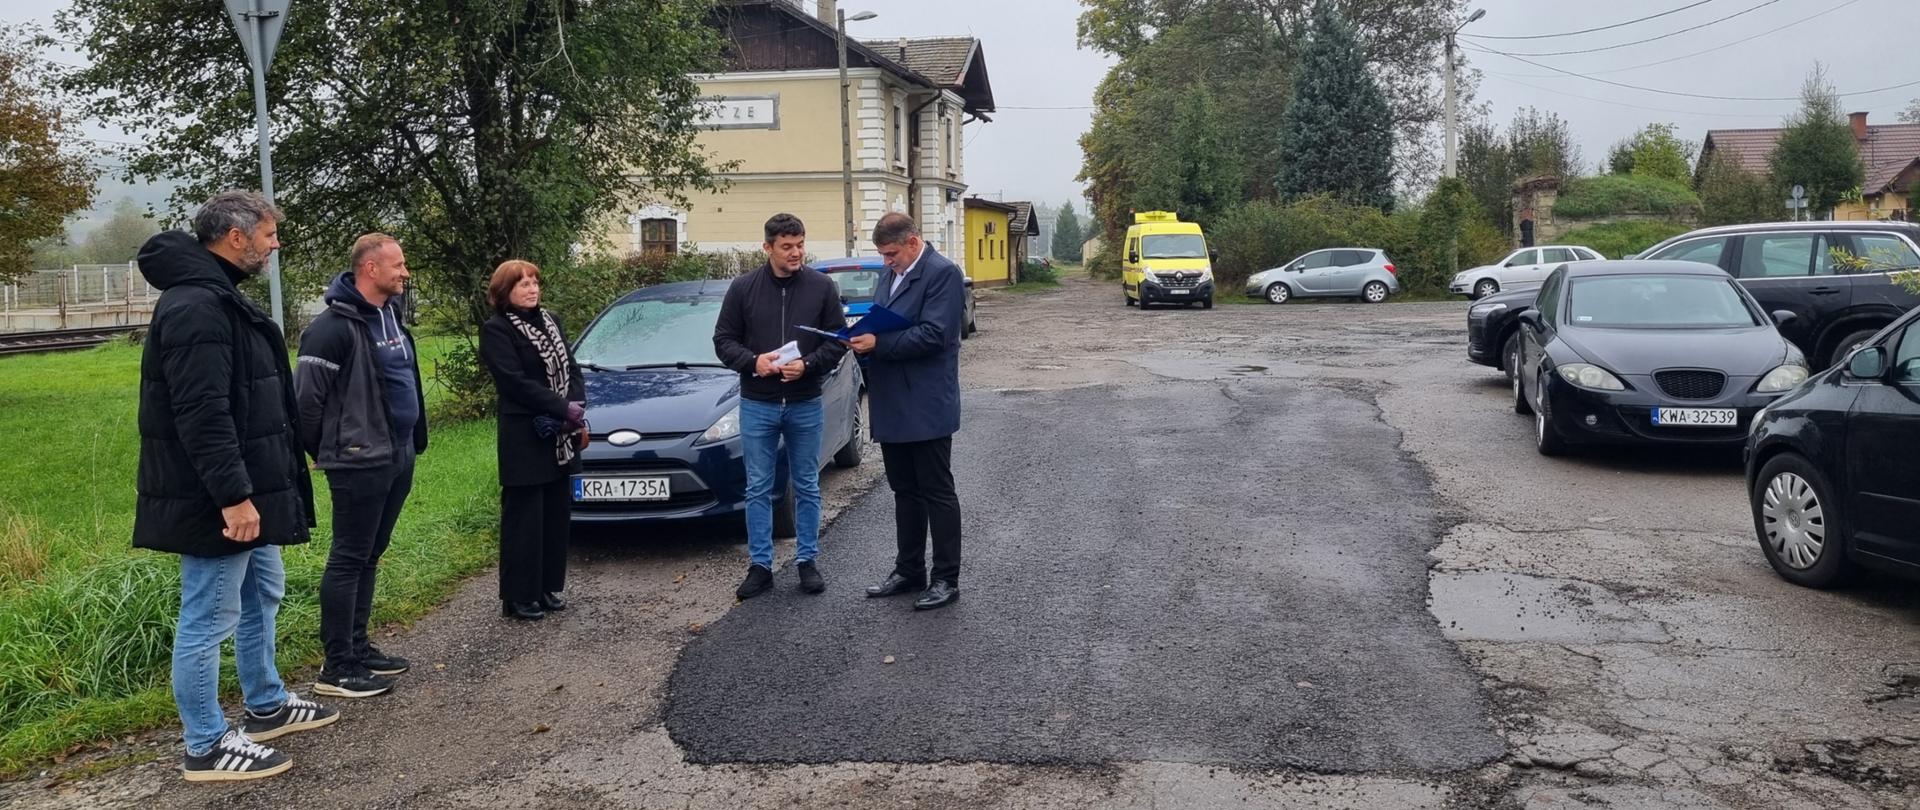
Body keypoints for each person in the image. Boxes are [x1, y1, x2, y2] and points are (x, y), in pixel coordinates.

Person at [134, 190, 335, 782]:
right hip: (218, 498)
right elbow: (202, 414)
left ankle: (266, 705)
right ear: (237, 237)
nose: (275, 245)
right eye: (269, 235)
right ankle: (205, 743)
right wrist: (233, 498)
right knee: (208, 615)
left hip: (250, 488)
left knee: (261, 592)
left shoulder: (219, 295)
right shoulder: (197, 305)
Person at [294, 233, 429, 699]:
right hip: (359, 460)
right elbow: (306, 404)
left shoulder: (391, 314)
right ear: (371, 269)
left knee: (371, 553)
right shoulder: (330, 329)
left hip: (398, 452)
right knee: (349, 557)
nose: (405, 272)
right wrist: (331, 450)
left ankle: (358, 647)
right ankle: (338, 667)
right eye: (398, 264)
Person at [712, 213, 849, 599]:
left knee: (806, 483)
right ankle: (760, 566)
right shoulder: (743, 288)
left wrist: (808, 365)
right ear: (767, 247)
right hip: (758, 402)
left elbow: (837, 340)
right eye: (787, 246)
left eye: (800, 245)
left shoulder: (821, 287)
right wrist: (753, 362)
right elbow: (723, 340)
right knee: (758, 486)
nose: (796, 253)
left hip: (805, 401)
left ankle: (807, 560)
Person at [850, 213, 966, 611]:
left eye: (891, 254)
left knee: (937, 491)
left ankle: (946, 578)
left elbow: (937, 334)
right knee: (904, 491)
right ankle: (909, 570)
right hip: (892, 399)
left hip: (926, 402)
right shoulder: (891, 273)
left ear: (913, 243)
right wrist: (859, 338)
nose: (886, 262)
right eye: (883, 255)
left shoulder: (943, 273)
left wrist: (877, 344)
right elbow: (884, 320)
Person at [479, 260, 586, 620]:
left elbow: (571, 367)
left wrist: (574, 407)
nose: (532, 289)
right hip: (525, 433)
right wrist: (560, 407)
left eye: (535, 282)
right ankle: (518, 595)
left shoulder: (552, 320)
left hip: (560, 432)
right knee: (524, 517)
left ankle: (545, 587)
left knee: (555, 513)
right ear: (504, 291)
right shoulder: (497, 329)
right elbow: (513, 382)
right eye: (523, 284)